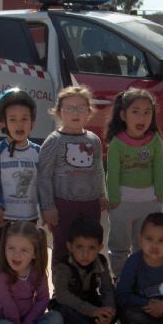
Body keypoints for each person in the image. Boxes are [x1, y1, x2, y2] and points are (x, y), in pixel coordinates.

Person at [0, 221, 87, 324]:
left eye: (24, 250)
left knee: (56, 318)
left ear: (34, 254)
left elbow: (43, 299)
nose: (16, 255)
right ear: (4, 248)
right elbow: (7, 305)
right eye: (11, 248)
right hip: (5, 322)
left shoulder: (37, 272)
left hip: (30, 322)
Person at [38, 86, 107, 268]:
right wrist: (47, 206)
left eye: (80, 108)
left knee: (88, 245)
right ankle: (61, 289)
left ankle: (86, 284)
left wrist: (101, 194)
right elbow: (43, 176)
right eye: (69, 108)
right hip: (63, 206)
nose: (75, 113)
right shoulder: (54, 141)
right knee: (63, 246)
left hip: (90, 204)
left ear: (89, 112)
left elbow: (98, 169)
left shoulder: (94, 140)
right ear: (59, 112)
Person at [106, 89, 163, 277]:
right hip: (122, 204)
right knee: (119, 246)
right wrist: (113, 199)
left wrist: (160, 194)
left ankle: (140, 278)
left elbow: (158, 168)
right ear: (123, 115)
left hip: (149, 202)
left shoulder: (155, 140)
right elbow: (112, 173)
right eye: (135, 111)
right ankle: (120, 278)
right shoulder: (116, 142)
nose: (142, 117)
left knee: (143, 245)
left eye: (147, 112)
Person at [50, 218, 128, 324]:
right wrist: (93, 311)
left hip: (90, 300)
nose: (85, 254)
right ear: (70, 247)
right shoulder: (64, 266)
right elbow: (63, 296)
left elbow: (107, 289)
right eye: (79, 247)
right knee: (64, 314)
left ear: (100, 248)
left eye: (91, 248)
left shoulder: (100, 262)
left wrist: (109, 310)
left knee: (119, 303)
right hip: (68, 304)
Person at [0, 88, 40, 272]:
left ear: (32, 122)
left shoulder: (38, 152)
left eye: (24, 118)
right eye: (13, 119)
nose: (19, 124)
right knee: (0, 267)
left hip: (29, 218)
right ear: (3, 123)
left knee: (27, 266)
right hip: (4, 220)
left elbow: (43, 184)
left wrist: (47, 207)